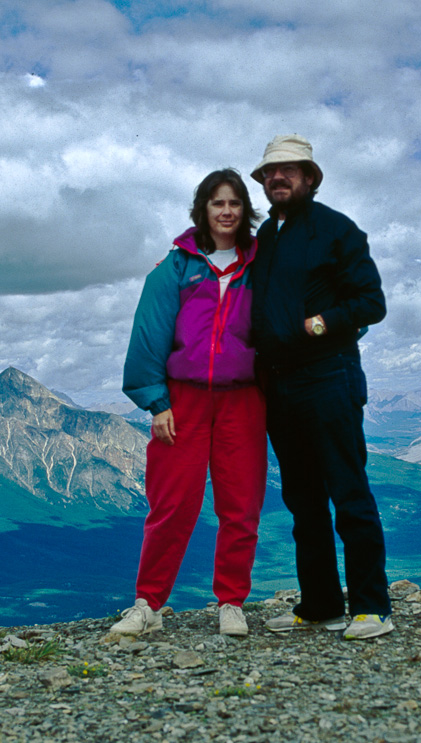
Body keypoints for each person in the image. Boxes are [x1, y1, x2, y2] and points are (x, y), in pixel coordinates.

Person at [249, 135, 394, 640]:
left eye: (289, 170)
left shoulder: (337, 230)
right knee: (303, 500)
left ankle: (373, 607)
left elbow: (371, 303)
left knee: (348, 492)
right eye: (270, 173)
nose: (278, 178)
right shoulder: (266, 236)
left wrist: (321, 324)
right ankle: (320, 605)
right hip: (281, 385)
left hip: (329, 374)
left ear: (309, 177)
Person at [112, 168, 266, 638]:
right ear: (202, 209)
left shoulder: (260, 264)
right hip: (182, 399)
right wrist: (156, 402)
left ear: (245, 211)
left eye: (234, 204)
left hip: (244, 398)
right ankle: (148, 604)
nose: (225, 212)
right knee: (172, 503)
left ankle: (231, 602)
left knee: (240, 503)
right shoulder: (178, 266)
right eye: (217, 203)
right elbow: (150, 332)